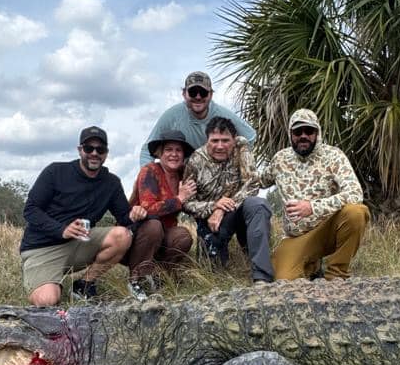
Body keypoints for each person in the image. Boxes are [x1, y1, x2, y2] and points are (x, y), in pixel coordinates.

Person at [19, 126, 135, 306]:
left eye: (100, 149)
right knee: (47, 301)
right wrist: (61, 230)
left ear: (106, 153)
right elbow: (30, 210)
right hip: (42, 248)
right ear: (80, 150)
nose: (94, 153)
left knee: (122, 236)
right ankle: (44, 279)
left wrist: (140, 212)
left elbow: (126, 218)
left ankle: (84, 284)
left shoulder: (111, 182)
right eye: (89, 148)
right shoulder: (55, 172)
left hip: (80, 243)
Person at [261, 108, 369, 281]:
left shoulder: (334, 156)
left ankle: (336, 273)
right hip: (295, 237)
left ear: (317, 133)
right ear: (290, 134)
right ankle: (312, 265)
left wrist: (312, 207)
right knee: (282, 282)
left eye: (309, 131)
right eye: (298, 131)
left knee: (356, 212)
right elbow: (257, 181)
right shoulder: (280, 159)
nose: (303, 135)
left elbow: (355, 193)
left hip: (327, 231)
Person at [184, 116, 274, 284]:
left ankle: (262, 277)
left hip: (236, 211)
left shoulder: (242, 147)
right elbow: (187, 203)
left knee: (258, 205)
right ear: (207, 140)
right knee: (212, 272)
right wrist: (214, 206)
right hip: (209, 221)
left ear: (234, 140)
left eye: (225, 140)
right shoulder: (195, 161)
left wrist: (222, 208)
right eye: (214, 140)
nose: (219, 146)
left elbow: (253, 184)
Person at [124, 130, 196, 300]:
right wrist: (179, 199)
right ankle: (136, 280)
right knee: (154, 226)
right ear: (160, 153)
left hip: (165, 235)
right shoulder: (150, 171)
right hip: (138, 234)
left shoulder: (183, 174)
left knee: (183, 236)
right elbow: (148, 209)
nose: (174, 154)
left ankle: (160, 277)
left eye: (178, 150)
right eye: (168, 150)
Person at [139, 71, 255, 164]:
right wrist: (147, 180)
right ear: (184, 94)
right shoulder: (172, 115)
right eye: (193, 92)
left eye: (203, 92)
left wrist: (233, 163)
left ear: (211, 94)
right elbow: (146, 151)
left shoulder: (223, 114)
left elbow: (250, 138)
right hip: (185, 178)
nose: (198, 97)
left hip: (218, 177)